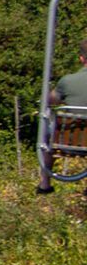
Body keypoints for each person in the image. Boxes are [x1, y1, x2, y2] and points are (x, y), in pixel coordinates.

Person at [38, 37, 87, 192]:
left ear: (81, 58)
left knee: (47, 134)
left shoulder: (67, 81)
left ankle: (45, 182)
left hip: (69, 141)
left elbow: (49, 101)